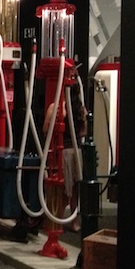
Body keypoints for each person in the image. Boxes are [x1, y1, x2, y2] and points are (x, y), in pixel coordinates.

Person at [43, 83, 87, 232]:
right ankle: (74, 222)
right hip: (77, 152)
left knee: (61, 188)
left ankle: (58, 221)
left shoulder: (55, 108)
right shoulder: (81, 110)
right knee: (75, 189)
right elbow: (83, 132)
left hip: (63, 153)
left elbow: (45, 129)